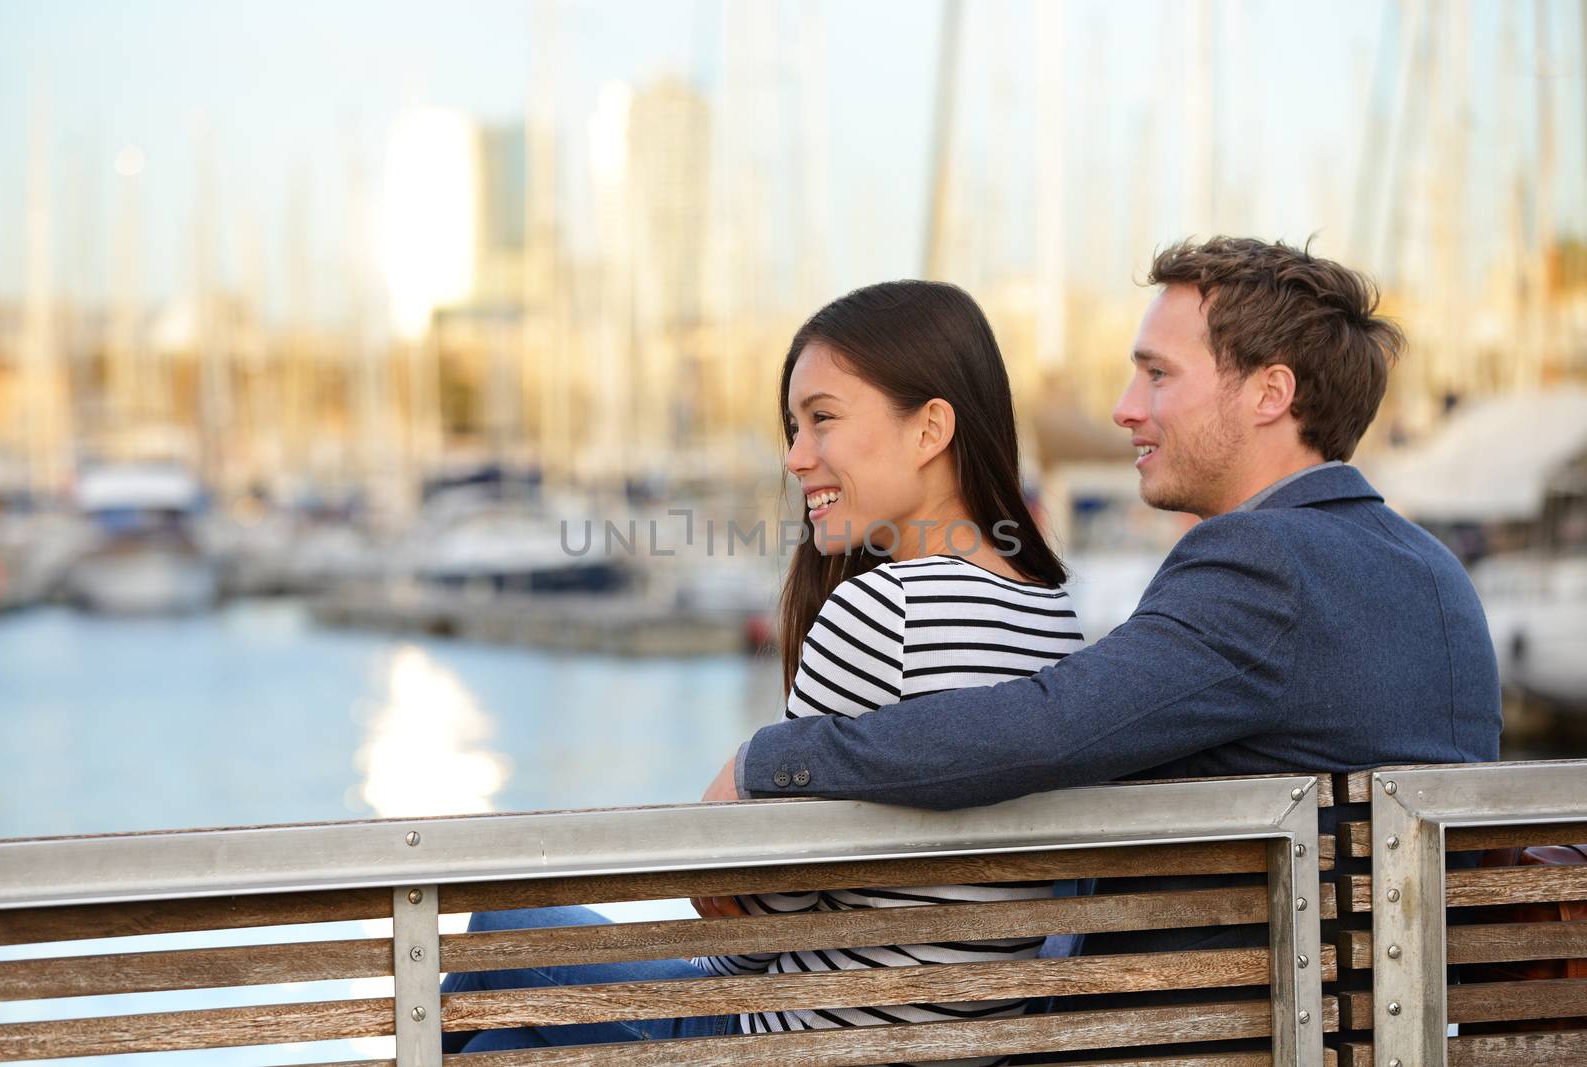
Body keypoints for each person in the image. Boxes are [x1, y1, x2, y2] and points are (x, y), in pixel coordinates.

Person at [709, 236, 1503, 885]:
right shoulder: (1433, 570)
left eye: (1157, 374)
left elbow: (1045, 726)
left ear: (1270, 393)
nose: (1125, 407)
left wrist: (771, 760)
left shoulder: (1262, 564)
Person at [442, 280, 1085, 1058]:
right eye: (793, 425)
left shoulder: (885, 610)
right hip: (953, 1039)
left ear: (930, 429)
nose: (794, 456)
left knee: (503, 928)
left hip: (795, 1040)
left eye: (823, 419)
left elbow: (758, 918)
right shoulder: (1049, 610)